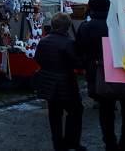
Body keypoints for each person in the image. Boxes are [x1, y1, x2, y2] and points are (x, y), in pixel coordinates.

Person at [77, 0, 125, 151]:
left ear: (91, 8)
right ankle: (124, 143)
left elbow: (79, 50)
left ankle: (110, 143)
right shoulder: (122, 24)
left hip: (99, 73)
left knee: (106, 112)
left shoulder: (86, 27)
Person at [35, 12, 86, 151]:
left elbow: (38, 58)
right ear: (67, 27)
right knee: (75, 111)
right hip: (66, 83)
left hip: (48, 83)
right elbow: (77, 63)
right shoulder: (69, 43)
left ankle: (58, 145)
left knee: (54, 115)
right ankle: (72, 141)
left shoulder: (43, 41)